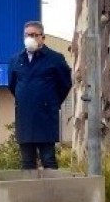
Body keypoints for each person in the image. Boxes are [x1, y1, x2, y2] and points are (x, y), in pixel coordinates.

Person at [8, 21, 72, 170]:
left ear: (43, 37)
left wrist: (51, 103)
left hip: (46, 117)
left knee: (48, 159)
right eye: (27, 35)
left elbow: (65, 84)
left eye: (34, 35)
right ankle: (29, 193)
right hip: (25, 117)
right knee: (27, 162)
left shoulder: (55, 59)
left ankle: (51, 192)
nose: (30, 38)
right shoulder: (16, 60)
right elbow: (13, 86)